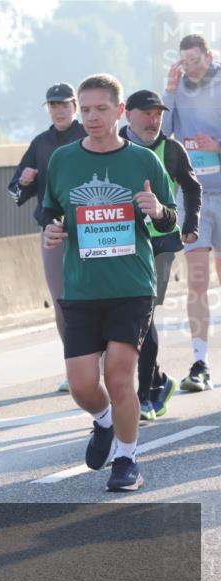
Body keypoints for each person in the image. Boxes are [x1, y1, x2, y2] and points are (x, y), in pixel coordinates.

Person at [43, 74, 178, 492]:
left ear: (120, 112)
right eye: (85, 110)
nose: (92, 117)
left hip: (132, 285)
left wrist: (157, 210)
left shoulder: (143, 160)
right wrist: (52, 229)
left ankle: (126, 460)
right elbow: (51, 210)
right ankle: (103, 421)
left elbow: (169, 219)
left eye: (101, 109)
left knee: (119, 377)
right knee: (83, 385)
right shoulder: (63, 160)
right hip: (82, 287)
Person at [120, 89, 201, 420]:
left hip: (162, 242)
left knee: (145, 314)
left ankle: (145, 394)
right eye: (147, 114)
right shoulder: (114, 148)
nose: (154, 121)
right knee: (127, 318)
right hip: (122, 242)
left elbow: (192, 186)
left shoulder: (171, 149)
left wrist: (190, 223)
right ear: (129, 115)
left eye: (158, 115)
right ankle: (158, 380)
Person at [9, 83, 87, 392]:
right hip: (53, 229)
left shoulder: (88, 135)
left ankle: (103, 360)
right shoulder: (40, 143)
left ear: (74, 107)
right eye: (53, 106)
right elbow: (15, 190)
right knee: (62, 301)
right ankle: (76, 368)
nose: (58, 110)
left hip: (91, 227)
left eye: (64, 105)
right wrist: (25, 180)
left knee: (96, 296)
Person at [162, 33, 220, 392]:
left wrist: (218, 146)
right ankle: (200, 362)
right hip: (192, 195)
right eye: (184, 62)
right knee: (197, 281)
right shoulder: (177, 88)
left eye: (195, 61)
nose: (190, 68)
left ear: (209, 57)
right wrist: (169, 91)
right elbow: (162, 132)